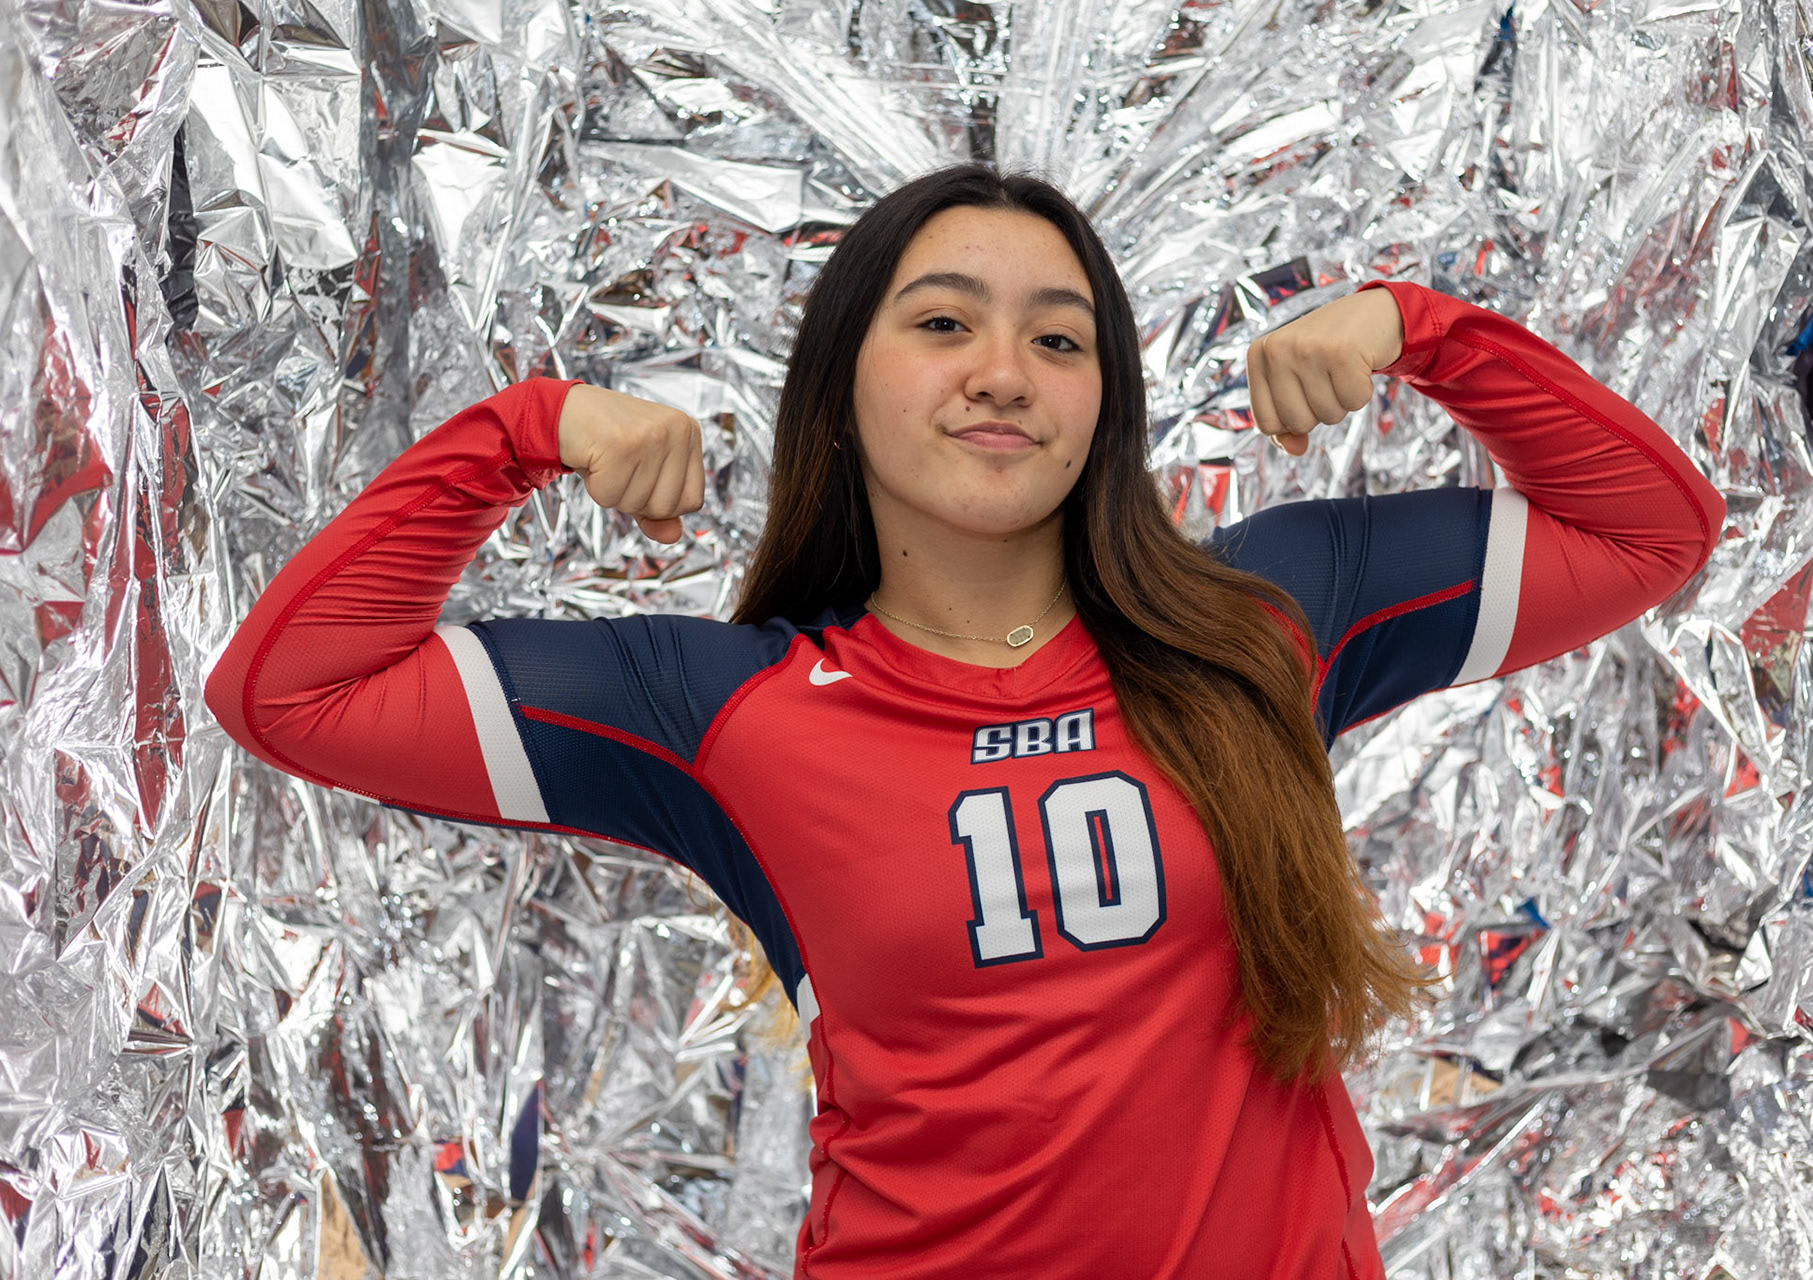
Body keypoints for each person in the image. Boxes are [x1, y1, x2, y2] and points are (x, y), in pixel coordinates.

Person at [205, 164, 1724, 1278]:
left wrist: (1424, 330)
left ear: (1102, 406)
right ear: (841, 386)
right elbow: (293, 692)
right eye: (945, 324)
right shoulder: (723, 707)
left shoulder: (1266, 618)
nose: (1005, 373)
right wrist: (528, 431)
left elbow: (1647, 530)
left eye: (1060, 342)